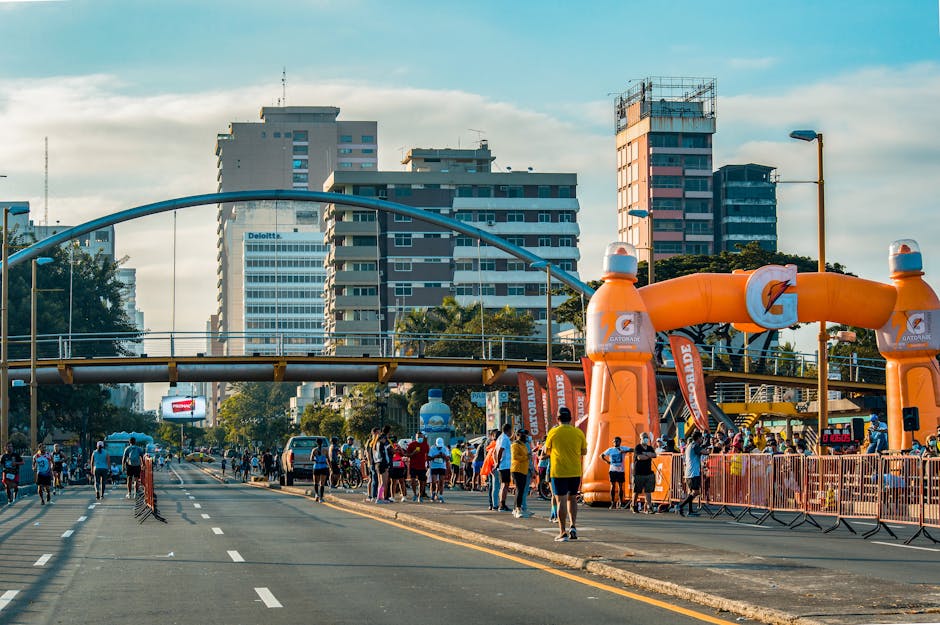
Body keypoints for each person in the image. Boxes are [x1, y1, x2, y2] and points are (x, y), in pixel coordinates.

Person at [543, 407, 587, 542]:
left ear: (558, 419)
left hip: (559, 471)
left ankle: (562, 532)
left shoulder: (553, 432)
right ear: (571, 419)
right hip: (575, 471)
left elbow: (545, 451)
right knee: (572, 499)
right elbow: (584, 451)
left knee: (560, 500)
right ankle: (573, 526)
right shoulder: (578, 432)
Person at [676, 430, 710, 517]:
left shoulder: (689, 445)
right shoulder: (695, 445)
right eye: (701, 438)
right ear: (698, 438)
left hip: (689, 472)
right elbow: (705, 452)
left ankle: (690, 511)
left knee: (691, 492)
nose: (702, 439)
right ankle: (681, 506)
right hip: (693, 473)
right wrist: (708, 449)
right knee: (696, 492)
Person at [600, 436, 632, 510]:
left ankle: (621, 503)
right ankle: (612, 503)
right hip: (612, 470)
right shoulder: (610, 450)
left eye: (617, 441)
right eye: (614, 441)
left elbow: (633, 450)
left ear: (620, 442)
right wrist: (606, 461)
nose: (615, 443)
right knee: (612, 486)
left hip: (621, 470)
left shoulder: (623, 448)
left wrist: (624, 451)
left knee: (620, 486)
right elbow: (602, 455)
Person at [630, 433, 658, 514]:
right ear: (640, 439)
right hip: (638, 473)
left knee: (648, 491)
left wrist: (646, 454)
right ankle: (633, 505)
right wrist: (648, 455)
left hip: (648, 473)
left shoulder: (650, 447)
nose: (645, 439)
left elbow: (654, 455)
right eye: (644, 437)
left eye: (646, 437)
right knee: (636, 491)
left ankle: (649, 506)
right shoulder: (638, 447)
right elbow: (640, 457)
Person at [510, 430, 532, 518]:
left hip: (524, 470)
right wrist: (526, 457)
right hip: (517, 469)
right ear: (518, 435)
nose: (525, 437)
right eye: (523, 435)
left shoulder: (524, 445)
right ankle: (518, 509)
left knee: (521, 490)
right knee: (519, 489)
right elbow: (515, 457)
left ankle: (518, 508)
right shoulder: (515, 445)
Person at [405, 431, 430, 502]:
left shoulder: (425, 445)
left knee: (422, 482)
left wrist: (428, 463)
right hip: (413, 465)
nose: (420, 438)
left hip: (422, 466)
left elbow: (428, 454)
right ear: (415, 437)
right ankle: (414, 494)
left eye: (421, 437)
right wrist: (413, 453)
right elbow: (407, 454)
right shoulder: (412, 445)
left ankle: (420, 495)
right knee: (413, 481)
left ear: (423, 437)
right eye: (418, 437)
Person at [494, 423, 513, 511]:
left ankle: (502, 503)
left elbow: (495, 451)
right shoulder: (504, 438)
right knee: (505, 485)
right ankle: (502, 504)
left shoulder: (500, 438)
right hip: (504, 464)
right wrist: (497, 462)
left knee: (504, 484)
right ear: (508, 430)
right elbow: (500, 451)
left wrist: (496, 462)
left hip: (503, 464)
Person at [428, 437, 449, 503]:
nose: (439, 448)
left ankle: (441, 496)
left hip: (442, 467)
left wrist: (443, 456)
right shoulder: (432, 448)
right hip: (434, 467)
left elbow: (448, 459)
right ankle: (433, 493)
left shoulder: (445, 448)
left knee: (441, 482)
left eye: (440, 446)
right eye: (438, 446)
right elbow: (429, 458)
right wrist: (435, 456)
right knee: (433, 482)